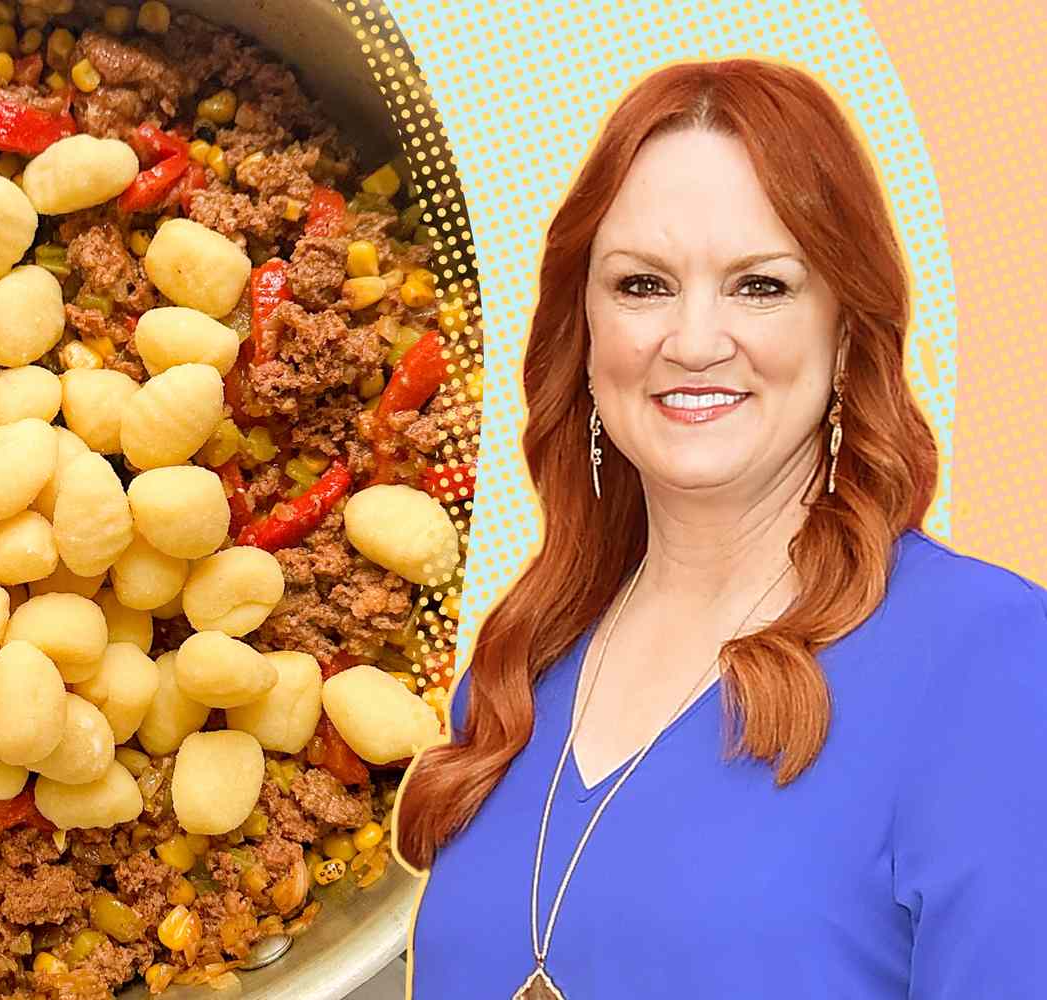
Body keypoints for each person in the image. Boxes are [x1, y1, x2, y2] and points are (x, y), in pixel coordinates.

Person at [397, 59, 1047, 1000]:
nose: (695, 340)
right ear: (582, 328)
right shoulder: (518, 676)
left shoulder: (992, 658)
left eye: (760, 286)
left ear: (847, 329)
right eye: (643, 285)